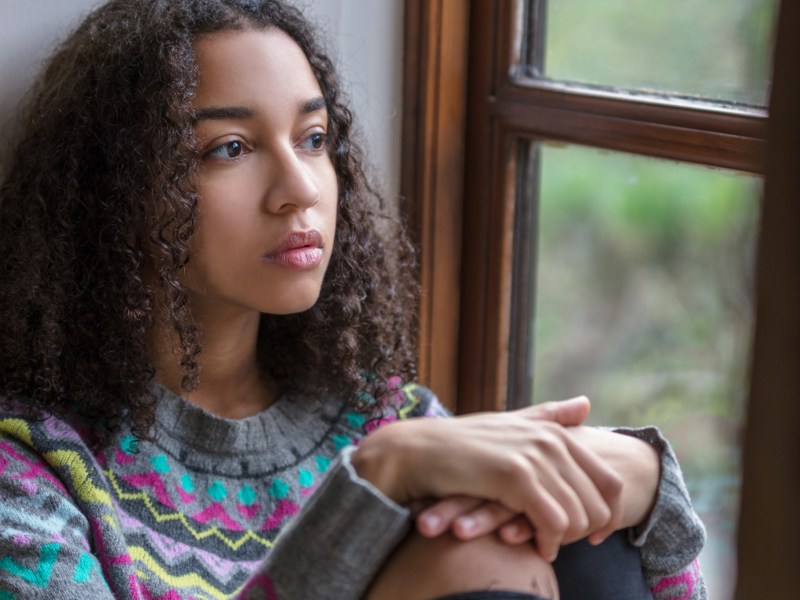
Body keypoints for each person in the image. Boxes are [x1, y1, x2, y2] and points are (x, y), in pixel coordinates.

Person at [0, 1, 706, 598]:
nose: (300, 189)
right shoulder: (30, 475)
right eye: (229, 149)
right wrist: (377, 477)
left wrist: (646, 484)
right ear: (115, 190)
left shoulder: (389, 421)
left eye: (313, 138)